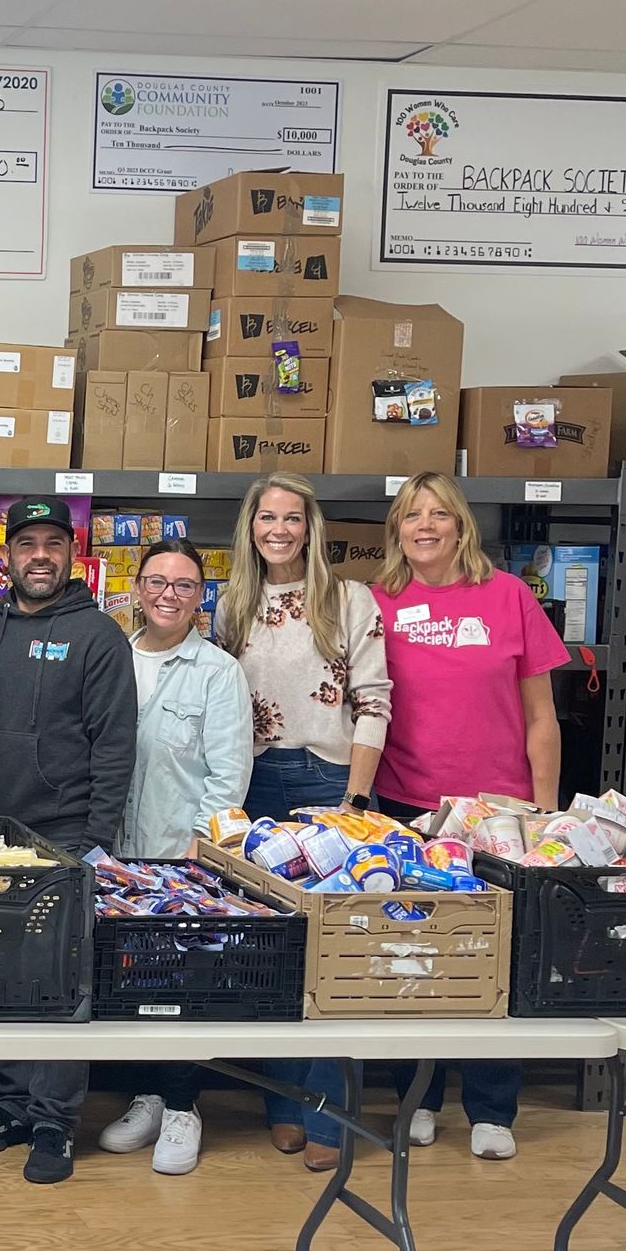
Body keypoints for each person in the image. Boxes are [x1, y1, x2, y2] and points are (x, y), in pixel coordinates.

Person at [374, 471, 567, 1162]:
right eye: (410, 515)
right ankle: (417, 1096)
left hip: (501, 811)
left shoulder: (509, 596)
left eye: (439, 514)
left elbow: (542, 715)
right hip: (410, 807)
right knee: (413, 954)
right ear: (396, 529)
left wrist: (544, 812)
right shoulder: (380, 602)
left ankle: (491, 1105)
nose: (424, 526)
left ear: (461, 525)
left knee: (496, 960)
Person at [0, 496, 135, 1186]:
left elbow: (116, 747)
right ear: (5, 557)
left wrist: (95, 841)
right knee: (0, 974)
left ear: (72, 554)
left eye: (52, 543)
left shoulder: (98, 636)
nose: (39, 556)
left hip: (64, 834)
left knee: (59, 981)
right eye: (26, 543)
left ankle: (55, 1122)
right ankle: (11, 1104)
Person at [212, 472, 392, 1169]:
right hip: (254, 782)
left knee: (334, 954)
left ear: (311, 528)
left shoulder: (349, 600)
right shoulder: (234, 603)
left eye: (292, 518)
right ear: (250, 528)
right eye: (266, 518)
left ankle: (329, 1117)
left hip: (328, 781)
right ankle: (281, 1104)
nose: (279, 529)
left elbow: (374, 701)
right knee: (271, 953)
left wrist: (356, 801)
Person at [99, 541, 255, 1178]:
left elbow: (228, 775)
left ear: (201, 596)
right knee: (129, 980)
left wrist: (198, 852)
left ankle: (185, 1106)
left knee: (184, 982)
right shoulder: (113, 658)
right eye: (157, 581)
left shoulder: (219, 672)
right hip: (115, 854)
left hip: (179, 856)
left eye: (185, 585)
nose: (169, 594)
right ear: (137, 588)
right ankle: (151, 1097)